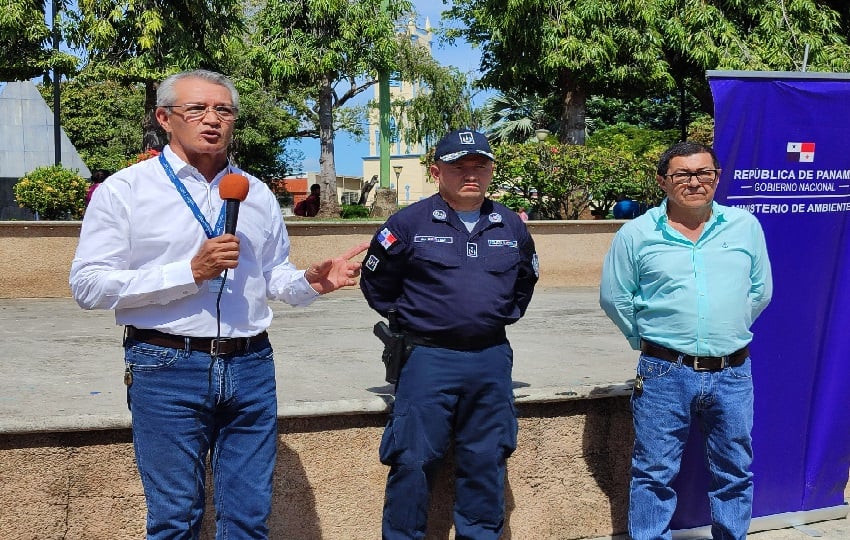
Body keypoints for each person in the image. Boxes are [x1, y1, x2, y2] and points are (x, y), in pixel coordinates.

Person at [69, 69, 366, 539]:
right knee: (175, 520)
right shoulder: (126, 191)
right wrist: (188, 272)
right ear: (165, 118)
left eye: (223, 110)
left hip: (250, 365)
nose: (212, 120)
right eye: (197, 109)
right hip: (165, 365)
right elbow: (88, 286)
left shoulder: (257, 192)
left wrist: (311, 282)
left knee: (248, 520)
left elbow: (271, 278)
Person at [360, 128, 539, 539]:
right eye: (459, 166)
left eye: (480, 165)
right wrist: (417, 319)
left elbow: (524, 283)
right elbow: (377, 283)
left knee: (486, 459)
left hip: (491, 358)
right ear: (437, 171)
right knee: (413, 459)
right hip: (428, 358)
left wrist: (488, 318)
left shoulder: (510, 225)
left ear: (492, 170)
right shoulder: (407, 223)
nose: (470, 174)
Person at [599, 141, 773, 540]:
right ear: (663, 181)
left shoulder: (745, 226)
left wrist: (723, 330)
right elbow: (615, 296)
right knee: (654, 473)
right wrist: (645, 340)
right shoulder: (636, 233)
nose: (695, 182)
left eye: (704, 173)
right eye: (682, 174)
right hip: (664, 372)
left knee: (734, 469)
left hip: (732, 371)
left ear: (716, 178)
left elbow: (760, 291)